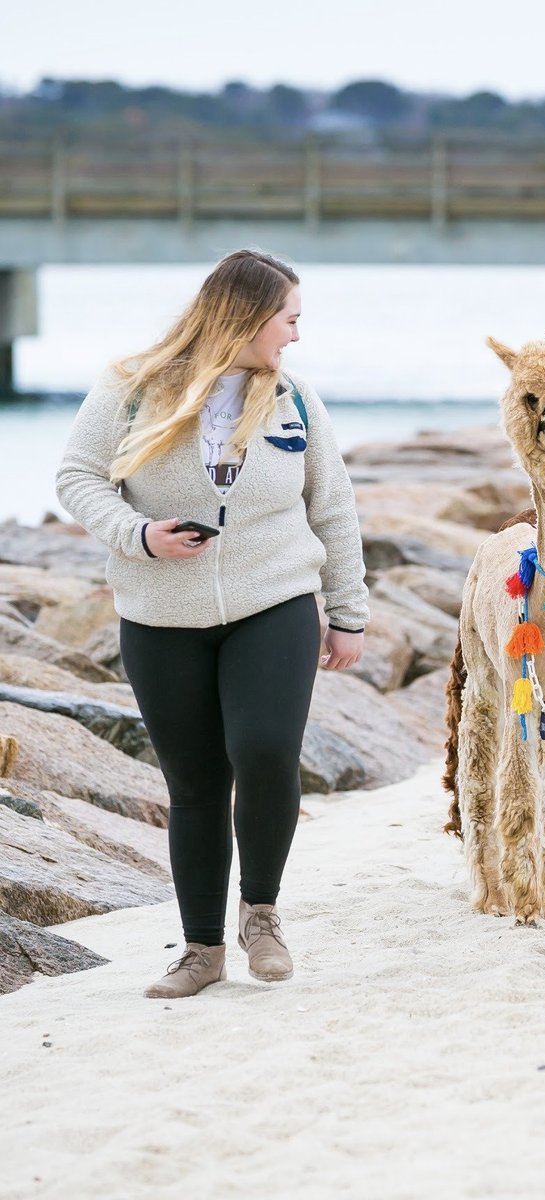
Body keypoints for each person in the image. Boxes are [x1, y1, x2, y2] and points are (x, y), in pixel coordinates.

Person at [57, 249, 369, 996]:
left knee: (264, 751)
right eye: (288, 319)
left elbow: (333, 506)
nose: (294, 336)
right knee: (194, 785)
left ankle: (260, 915)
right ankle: (201, 951)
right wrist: (140, 535)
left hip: (274, 602)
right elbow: (78, 476)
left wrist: (348, 611)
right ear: (247, 316)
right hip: (159, 614)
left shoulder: (293, 398)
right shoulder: (130, 387)